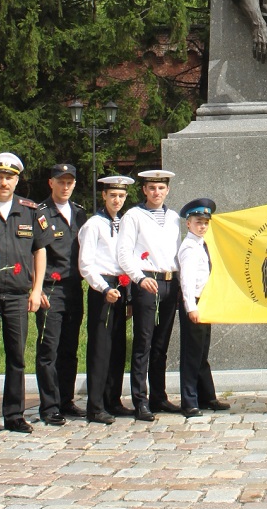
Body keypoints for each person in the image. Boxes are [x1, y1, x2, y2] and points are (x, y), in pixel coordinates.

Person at [0, 152, 51, 436]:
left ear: (17, 181)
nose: (4, 182)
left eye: (9, 177)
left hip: (18, 296)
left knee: (17, 357)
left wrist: (37, 290)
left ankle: (14, 415)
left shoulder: (30, 210)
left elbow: (40, 251)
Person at [117, 170, 184, 422]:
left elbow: (177, 252)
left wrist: (180, 283)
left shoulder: (174, 217)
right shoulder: (133, 216)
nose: (157, 192)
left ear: (168, 190)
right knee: (143, 343)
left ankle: (159, 396)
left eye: (161, 188)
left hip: (169, 282)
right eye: (152, 188)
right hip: (147, 282)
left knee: (161, 344)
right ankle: (140, 400)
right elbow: (124, 253)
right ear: (144, 190)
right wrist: (139, 278)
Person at [78, 174, 135, 424]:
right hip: (102, 288)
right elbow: (85, 264)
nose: (117, 200)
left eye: (121, 196)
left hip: (122, 286)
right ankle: (96, 405)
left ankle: (113, 399)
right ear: (104, 196)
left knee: (117, 348)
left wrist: (129, 297)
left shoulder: (125, 223)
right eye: (112, 195)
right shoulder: (94, 224)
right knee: (101, 348)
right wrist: (103, 289)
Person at [35, 162, 86, 426]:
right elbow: (33, 251)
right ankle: (49, 406)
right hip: (50, 289)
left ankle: (66, 400)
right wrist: (36, 288)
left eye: (69, 182)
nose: (65, 187)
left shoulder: (79, 213)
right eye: (60, 182)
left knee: (69, 348)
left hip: (74, 288)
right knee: (49, 349)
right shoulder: (39, 213)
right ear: (51, 183)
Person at [177, 197, 231, 419]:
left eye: (205, 223)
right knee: (192, 354)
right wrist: (191, 307)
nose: (202, 226)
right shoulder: (189, 248)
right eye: (198, 222)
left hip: (205, 302)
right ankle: (189, 401)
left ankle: (206, 396)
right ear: (188, 223)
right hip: (195, 303)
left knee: (201, 353)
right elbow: (186, 281)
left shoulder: (202, 244)